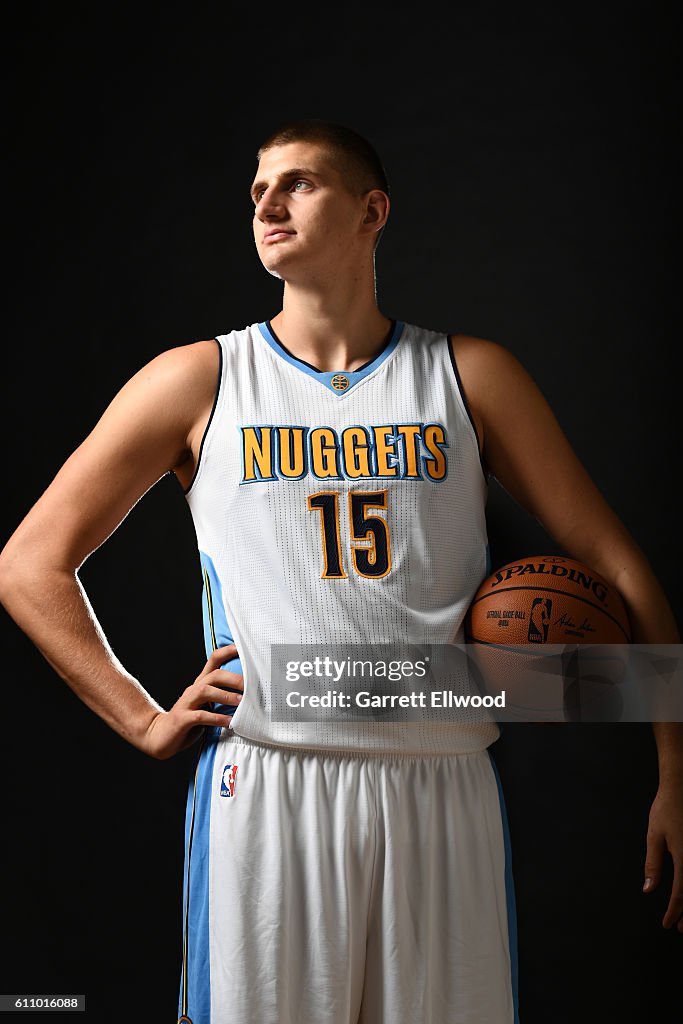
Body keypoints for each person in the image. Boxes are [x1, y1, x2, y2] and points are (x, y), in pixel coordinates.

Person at [0, 118, 681, 1024]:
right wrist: (141, 719)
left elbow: (611, 561)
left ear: (373, 212)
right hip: (268, 780)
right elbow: (28, 564)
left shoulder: (468, 376)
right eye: (256, 191)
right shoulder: (200, 379)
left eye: (299, 183)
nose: (267, 204)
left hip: (442, 780)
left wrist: (674, 767)